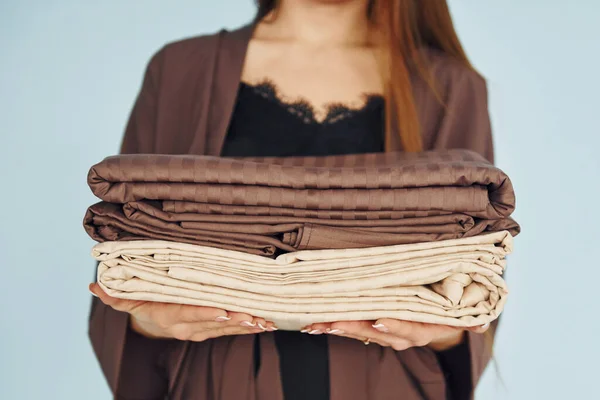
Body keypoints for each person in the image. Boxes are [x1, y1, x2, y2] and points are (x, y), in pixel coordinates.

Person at [88, 1, 498, 399]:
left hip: (386, 381)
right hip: (216, 377)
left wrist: (444, 327)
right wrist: (153, 322)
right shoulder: (182, 70)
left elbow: (470, 275)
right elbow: (132, 243)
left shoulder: (448, 85)